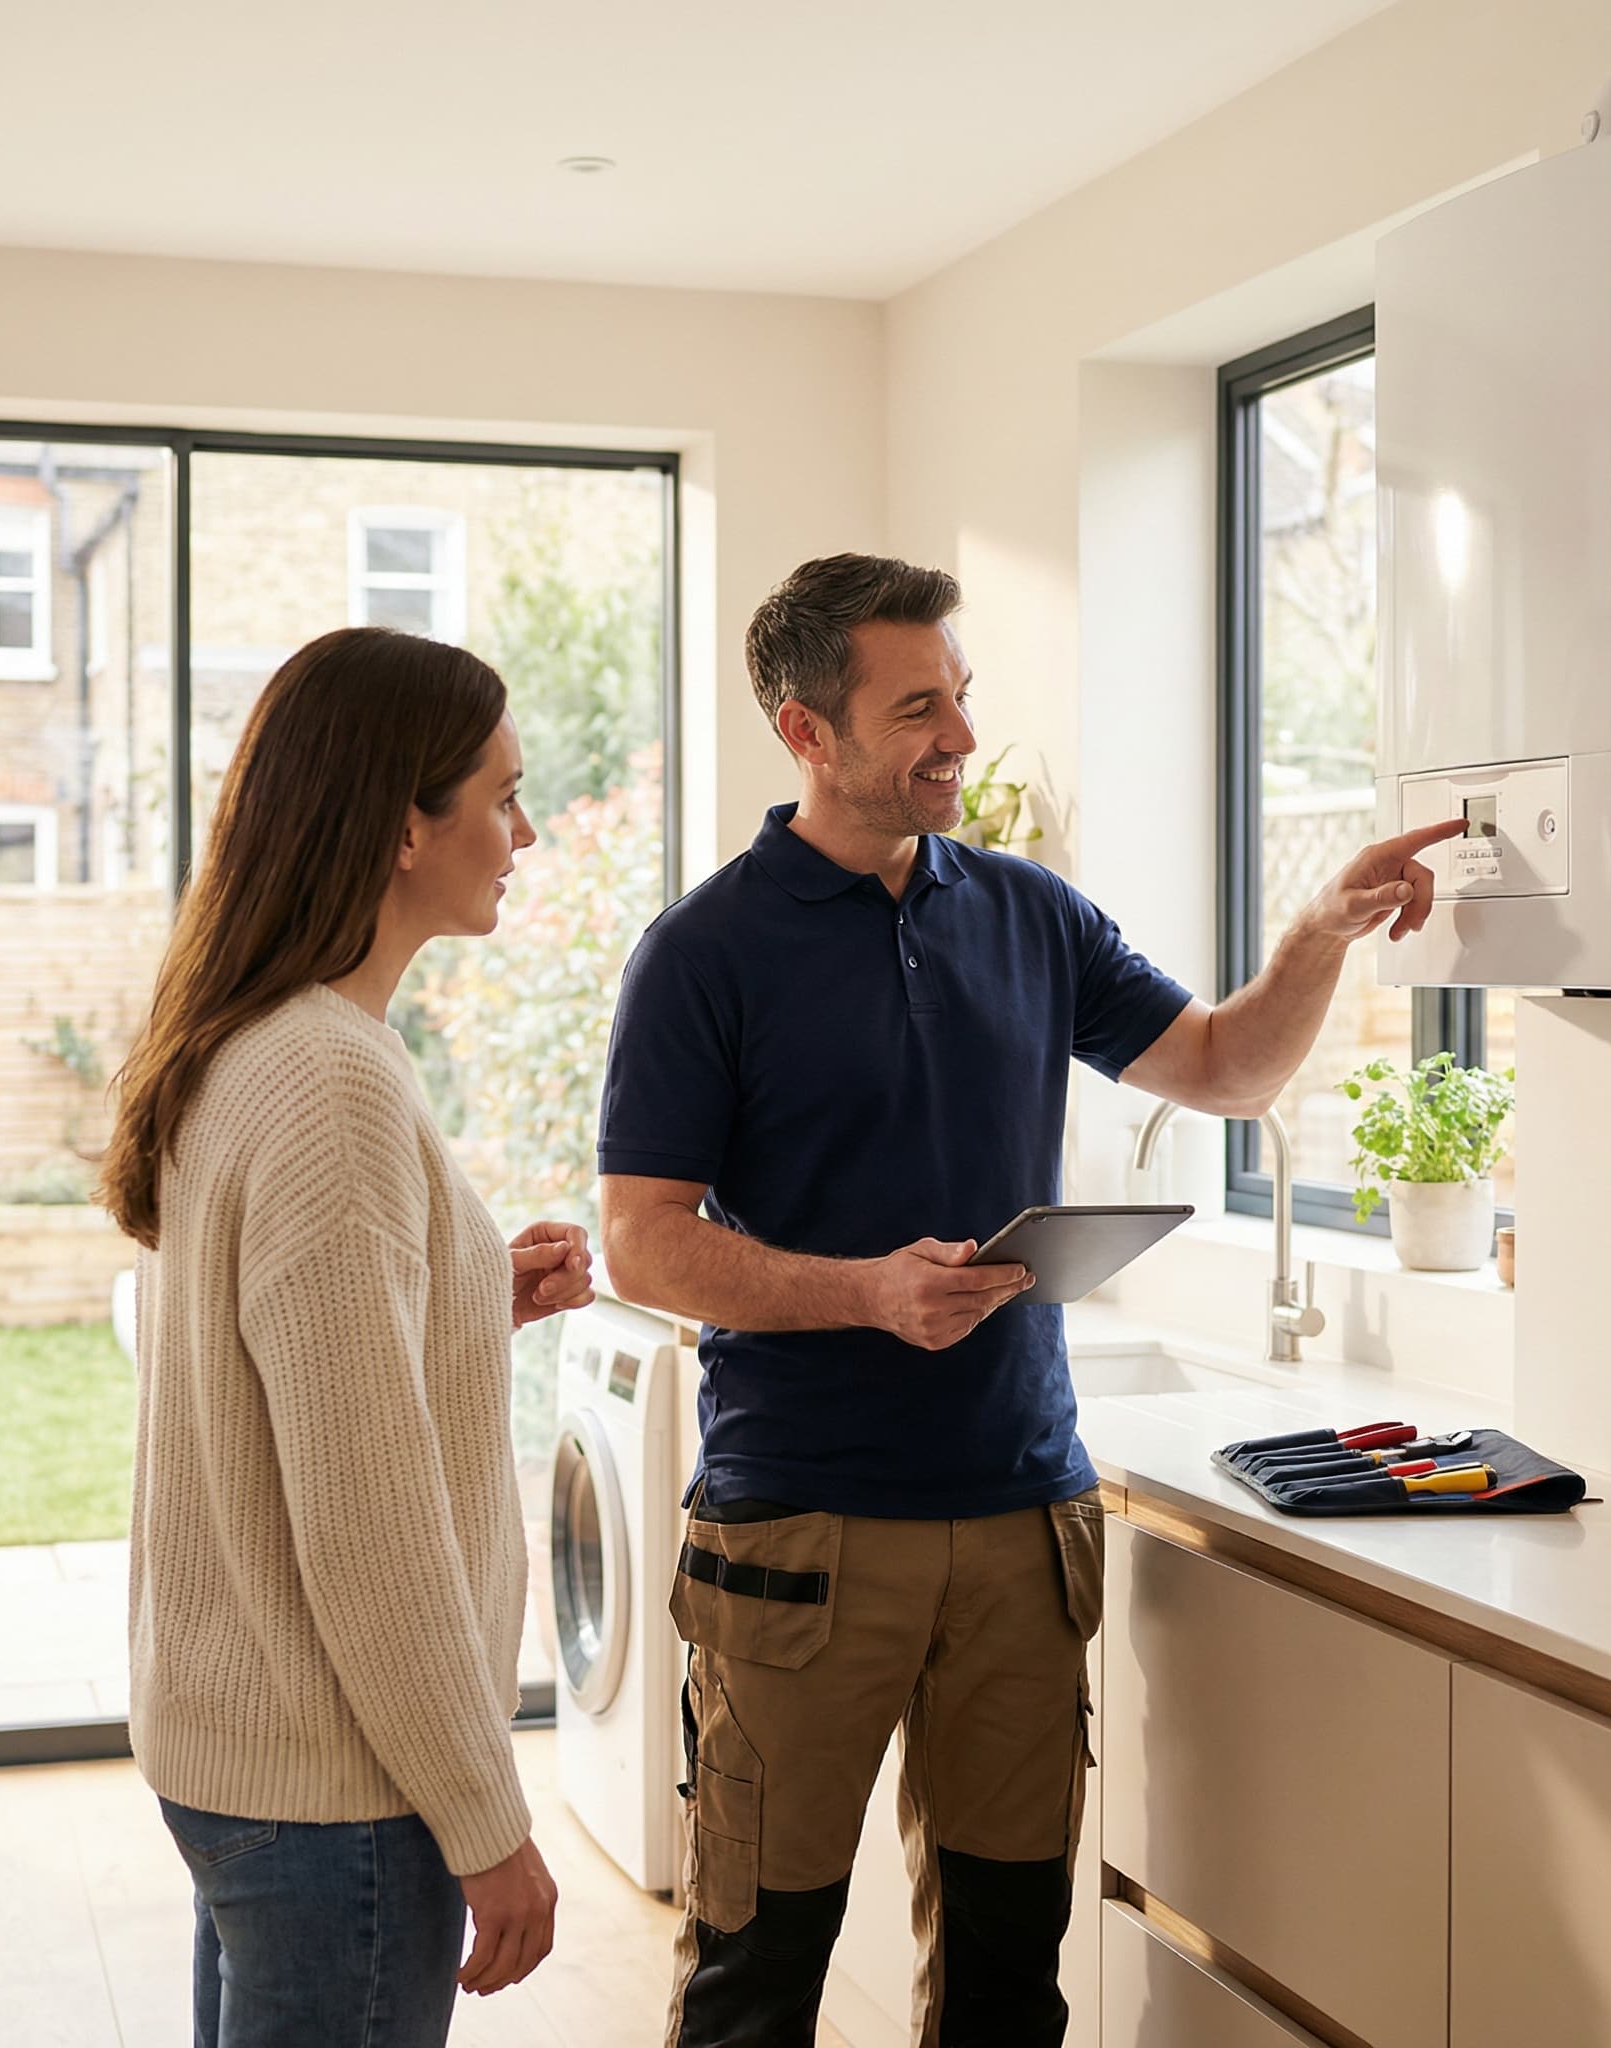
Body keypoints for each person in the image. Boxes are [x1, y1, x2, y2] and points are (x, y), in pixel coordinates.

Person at [596, 555, 1461, 2048]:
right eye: (915, 705)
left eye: (963, 694)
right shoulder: (703, 953)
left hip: (1020, 1523)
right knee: (759, 1973)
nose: (960, 736)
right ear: (807, 732)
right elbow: (643, 1242)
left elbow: (1226, 1069)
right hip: (799, 1535)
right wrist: (866, 1292)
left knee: (1012, 1977)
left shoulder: (1029, 913)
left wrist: (1315, 934)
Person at [98, 626, 594, 2048]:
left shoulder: (264, 1038)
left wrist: (458, 1293)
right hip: (343, 1791)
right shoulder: (330, 1079)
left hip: (251, 1760)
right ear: (401, 827)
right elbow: (367, 1526)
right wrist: (487, 1820)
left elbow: (283, 1357)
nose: (525, 830)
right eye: (500, 795)